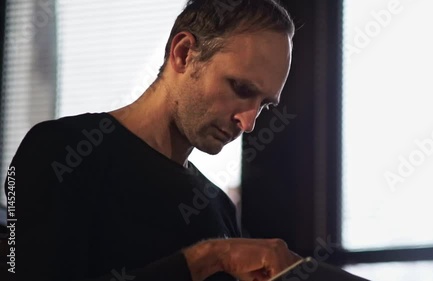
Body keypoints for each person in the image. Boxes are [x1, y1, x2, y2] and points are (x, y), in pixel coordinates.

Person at [3, 0, 299, 280]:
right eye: (241, 89)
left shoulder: (219, 207)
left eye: (263, 105)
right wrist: (204, 260)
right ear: (183, 54)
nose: (248, 123)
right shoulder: (58, 151)